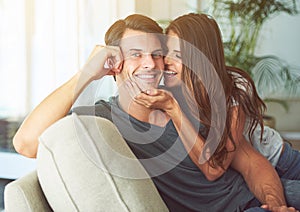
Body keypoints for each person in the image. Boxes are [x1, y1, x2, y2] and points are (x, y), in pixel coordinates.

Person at [12, 14, 297, 211]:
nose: (150, 64)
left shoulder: (187, 99)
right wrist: (88, 70)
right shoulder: (104, 119)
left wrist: (275, 202)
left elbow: (251, 162)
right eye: (135, 54)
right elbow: (25, 143)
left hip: (262, 195)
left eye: (157, 54)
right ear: (114, 63)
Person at [130, 13, 300, 211]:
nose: (165, 61)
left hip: (281, 161)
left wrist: (172, 108)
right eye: (166, 52)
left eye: (177, 55)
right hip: (251, 176)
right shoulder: (172, 91)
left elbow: (216, 167)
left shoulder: (232, 87)